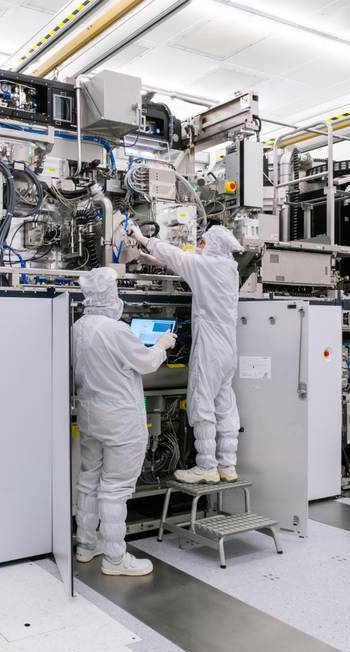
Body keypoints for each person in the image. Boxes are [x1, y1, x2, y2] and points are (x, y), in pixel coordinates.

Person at [73, 267, 176, 576]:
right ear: (109, 295)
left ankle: (86, 544)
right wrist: (161, 345)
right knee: (116, 487)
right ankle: (116, 558)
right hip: (120, 421)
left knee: (89, 478)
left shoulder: (78, 327)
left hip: (91, 416)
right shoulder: (115, 329)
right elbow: (145, 363)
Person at [130, 223, 243, 484]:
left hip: (210, 348)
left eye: (203, 242)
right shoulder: (227, 268)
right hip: (228, 350)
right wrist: (157, 262)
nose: (200, 246)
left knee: (202, 403)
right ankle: (227, 465)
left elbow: (181, 258)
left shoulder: (207, 266)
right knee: (225, 406)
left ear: (214, 245)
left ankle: (206, 466)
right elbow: (189, 267)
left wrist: (144, 239)